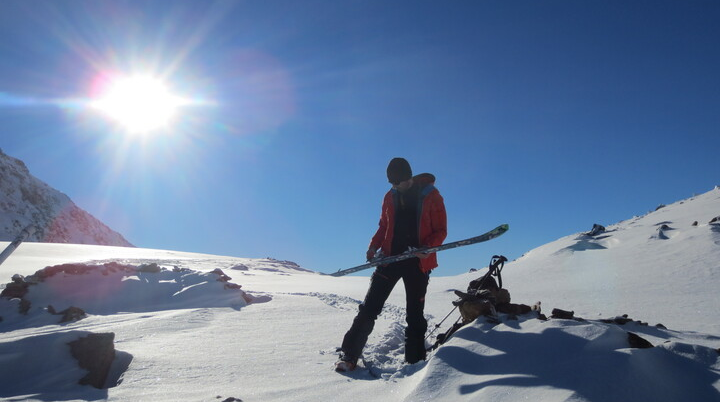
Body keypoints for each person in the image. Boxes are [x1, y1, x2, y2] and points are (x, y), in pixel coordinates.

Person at [336, 157, 447, 372]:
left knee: (414, 314)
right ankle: (349, 355)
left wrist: (428, 247)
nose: (395, 186)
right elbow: (383, 226)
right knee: (369, 308)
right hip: (390, 260)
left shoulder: (431, 195)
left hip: (418, 262)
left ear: (409, 178)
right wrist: (372, 247)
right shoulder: (390, 196)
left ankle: (414, 363)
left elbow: (441, 230)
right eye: (392, 183)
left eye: (399, 182)